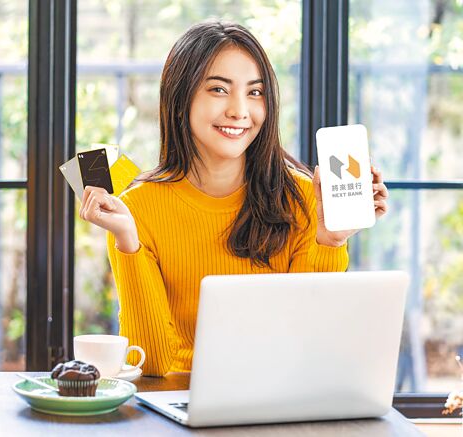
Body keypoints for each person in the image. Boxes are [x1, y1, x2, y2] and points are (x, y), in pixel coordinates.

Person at [79, 21, 389, 377]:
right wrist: (127, 242)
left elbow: (307, 349)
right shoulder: (138, 209)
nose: (240, 111)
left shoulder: (304, 198)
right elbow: (150, 364)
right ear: (181, 100)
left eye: (255, 93)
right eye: (219, 90)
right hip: (182, 401)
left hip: (281, 399)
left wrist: (330, 239)